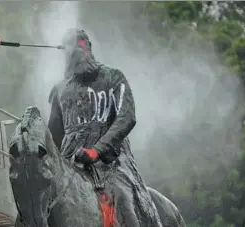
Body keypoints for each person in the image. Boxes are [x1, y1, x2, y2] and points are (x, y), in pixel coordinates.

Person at [47, 29, 163, 226]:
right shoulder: (59, 90)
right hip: (70, 163)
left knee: (123, 200)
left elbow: (127, 118)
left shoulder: (113, 77)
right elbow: (53, 136)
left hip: (112, 163)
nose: (80, 48)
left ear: (89, 47)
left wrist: (96, 151)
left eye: (83, 44)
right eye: (75, 45)